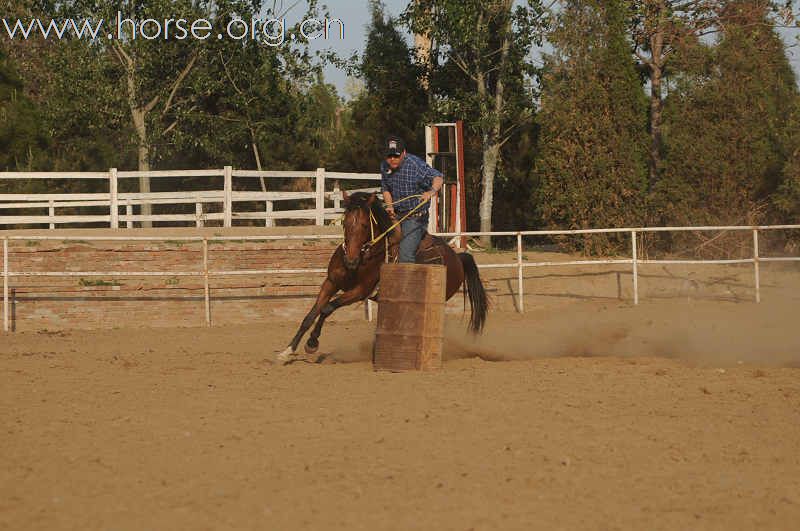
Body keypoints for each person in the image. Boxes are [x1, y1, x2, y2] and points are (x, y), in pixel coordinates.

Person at [380, 135, 444, 263]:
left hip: (415, 217)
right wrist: (389, 206)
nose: (392, 159)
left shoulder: (415, 164)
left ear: (404, 153)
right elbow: (385, 188)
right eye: (389, 156)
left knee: (405, 255)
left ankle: (407, 280)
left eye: (396, 156)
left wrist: (430, 192)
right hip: (396, 215)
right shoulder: (384, 166)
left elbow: (438, 178)